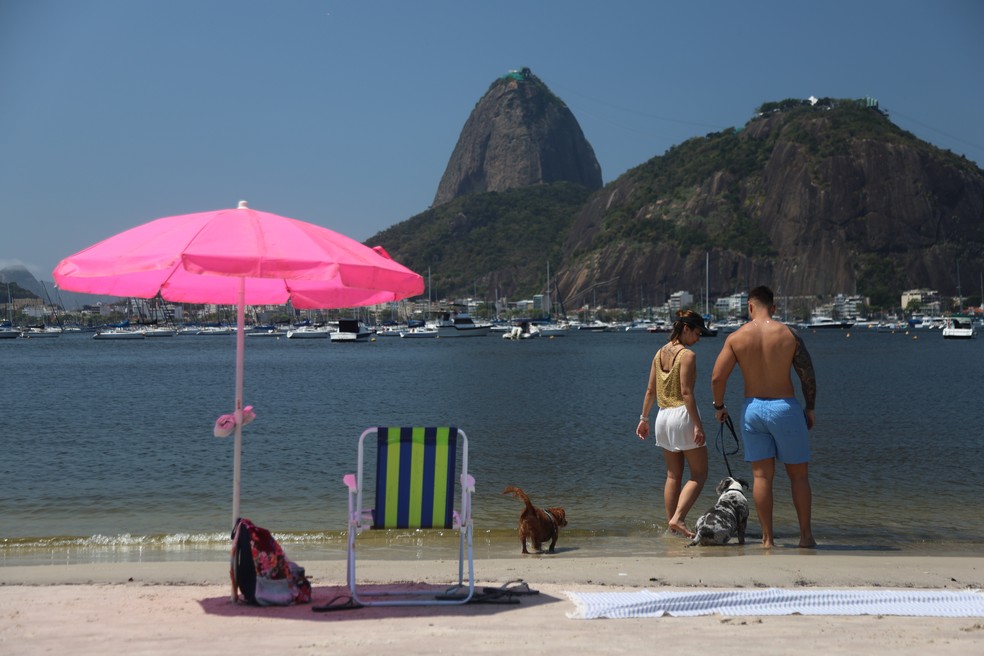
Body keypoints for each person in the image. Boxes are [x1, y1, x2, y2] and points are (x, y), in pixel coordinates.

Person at [710, 286, 818, 548]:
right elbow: (808, 375)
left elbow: (717, 377)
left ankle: (767, 540)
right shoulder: (789, 334)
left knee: (761, 478)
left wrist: (719, 406)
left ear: (749, 306)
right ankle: (805, 537)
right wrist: (810, 407)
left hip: (753, 410)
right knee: (799, 476)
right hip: (785, 407)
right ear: (773, 307)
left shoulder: (737, 337)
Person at [636, 310, 712, 537]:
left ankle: (673, 528)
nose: (699, 338)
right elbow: (687, 392)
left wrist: (643, 418)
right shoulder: (687, 355)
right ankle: (678, 518)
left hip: (662, 417)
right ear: (686, 328)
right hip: (682, 415)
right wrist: (698, 425)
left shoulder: (658, 354)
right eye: (698, 332)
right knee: (699, 474)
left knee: (672, 475)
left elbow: (650, 390)